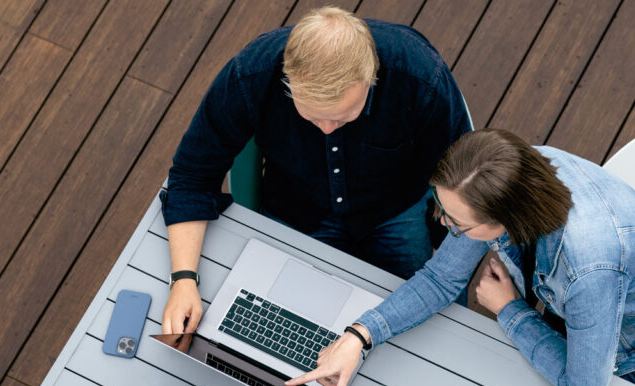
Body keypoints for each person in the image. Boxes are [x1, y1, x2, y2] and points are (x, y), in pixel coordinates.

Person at [289, 129, 635, 386]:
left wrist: (509, 309)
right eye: (441, 208)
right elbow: (440, 279)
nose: (443, 224)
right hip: (585, 313)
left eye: (456, 223)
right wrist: (359, 336)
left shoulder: (588, 269)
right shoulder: (517, 173)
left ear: (504, 219)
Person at [161, 6, 470, 334]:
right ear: (288, 79)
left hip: (394, 208)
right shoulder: (251, 75)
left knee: (423, 327)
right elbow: (192, 174)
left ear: (371, 77)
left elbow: (463, 180)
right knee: (276, 323)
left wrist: (446, 257)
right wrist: (182, 280)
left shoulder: (422, 79)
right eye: (311, 116)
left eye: (343, 117)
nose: (327, 129)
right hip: (297, 207)